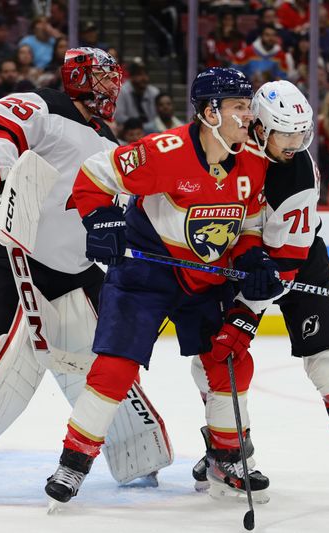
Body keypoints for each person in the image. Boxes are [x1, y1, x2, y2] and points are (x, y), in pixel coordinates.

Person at [0, 47, 174, 501]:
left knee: (106, 357)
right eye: (105, 77)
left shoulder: (108, 143)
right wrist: (6, 175)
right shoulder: (44, 106)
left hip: (73, 269)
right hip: (9, 253)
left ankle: (136, 447)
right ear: (81, 79)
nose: (112, 87)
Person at [44, 67, 282, 506]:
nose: (249, 116)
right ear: (211, 111)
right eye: (239, 107)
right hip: (145, 274)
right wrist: (102, 219)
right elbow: (94, 175)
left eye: (248, 106)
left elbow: (249, 218)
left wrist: (252, 254)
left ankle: (227, 457)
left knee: (229, 359)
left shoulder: (253, 161)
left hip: (206, 278)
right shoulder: (163, 152)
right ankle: (73, 461)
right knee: (115, 366)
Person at [212, 79, 329, 503]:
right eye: (285, 134)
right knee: (218, 355)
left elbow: (287, 265)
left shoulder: (294, 173)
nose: (295, 143)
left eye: (301, 134)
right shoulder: (230, 151)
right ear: (258, 127)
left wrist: (248, 312)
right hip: (243, 263)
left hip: (295, 262)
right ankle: (224, 454)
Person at [113, 58, 160, 130]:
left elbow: (157, 116)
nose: (144, 78)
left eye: (145, 74)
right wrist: (137, 125)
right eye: (139, 75)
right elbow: (119, 116)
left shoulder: (154, 92)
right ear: (131, 77)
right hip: (130, 128)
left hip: (152, 129)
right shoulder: (122, 91)